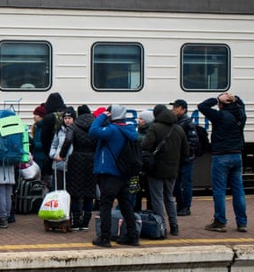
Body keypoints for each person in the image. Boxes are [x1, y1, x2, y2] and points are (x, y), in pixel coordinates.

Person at [89, 105, 140, 248]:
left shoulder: (112, 130)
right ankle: (132, 236)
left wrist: (102, 116)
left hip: (110, 174)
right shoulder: (130, 129)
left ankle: (104, 237)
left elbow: (93, 130)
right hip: (124, 174)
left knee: (105, 205)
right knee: (126, 206)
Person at [198, 92, 247, 233]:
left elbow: (202, 106)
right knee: (238, 190)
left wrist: (217, 99)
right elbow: (241, 105)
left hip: (221, 156)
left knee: (219, 190)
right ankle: (242, 223)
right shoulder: (241, 115)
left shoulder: (219, 116)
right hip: (237, 155)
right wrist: (235, 98)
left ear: (221, 104)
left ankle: (220, 222)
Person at [141, 104, 188, 237]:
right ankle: (174, 226)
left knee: (157, 199)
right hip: (172, 170)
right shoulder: (178, 129)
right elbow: (186, 152)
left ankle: (161, 227)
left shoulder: (154, 127)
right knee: (169, 198)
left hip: (156, 170)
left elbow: (145, 145)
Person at [60, 105, 97, 231]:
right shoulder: (95, 126)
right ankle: (85, 223)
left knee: (75, 191)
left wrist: (62, 155)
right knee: (89, 191)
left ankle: (76, 223)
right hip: (92, 159)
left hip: (76, 159)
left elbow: (68, 140)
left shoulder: (74, 126)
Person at [170, 99, 200, 216]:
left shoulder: (188, 123)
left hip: (186, 160)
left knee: (185, 184)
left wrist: (182, 151)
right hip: (178, 159)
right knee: (177, 184)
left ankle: (186, 207)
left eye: (176, 107)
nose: (173, 109)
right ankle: (180, 205)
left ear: (183, 109)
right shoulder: (176, 122)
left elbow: (193, 142)